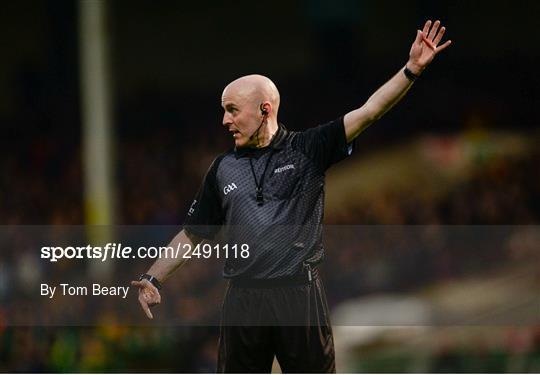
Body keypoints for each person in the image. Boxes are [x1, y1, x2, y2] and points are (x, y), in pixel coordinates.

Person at [131, 20, 452, 373]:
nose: (225, 120)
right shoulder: (221, 168)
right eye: (224, 110)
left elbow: (370, 111)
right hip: (243, 299)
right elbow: (192, 233)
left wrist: (411, 70)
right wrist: (152, 277)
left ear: (265, 109)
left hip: (299, 298)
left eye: (233, 110)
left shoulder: (308, 148)